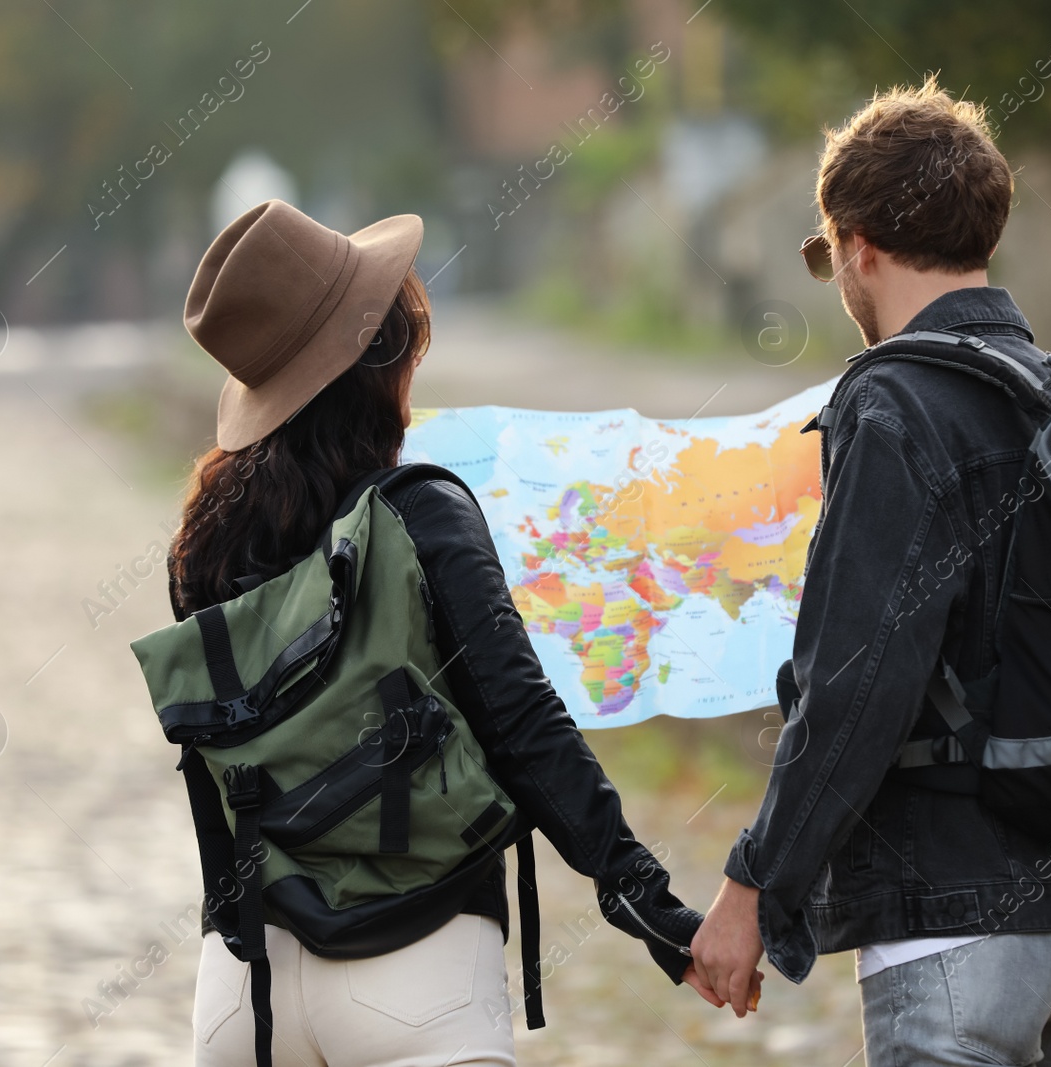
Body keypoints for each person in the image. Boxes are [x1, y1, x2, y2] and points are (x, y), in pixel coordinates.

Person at [167, 200, 712, 1066]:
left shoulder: (203, 541)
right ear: (381, 361)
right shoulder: (423, 510)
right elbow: (521, 723)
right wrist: (644, 899)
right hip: (414, 973)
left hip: (243, 990)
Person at [689, 78, 1051, 1064]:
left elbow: (859, 683)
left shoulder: (897, 404)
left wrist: (753, 885)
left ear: (857, 242)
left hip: (958, 930)